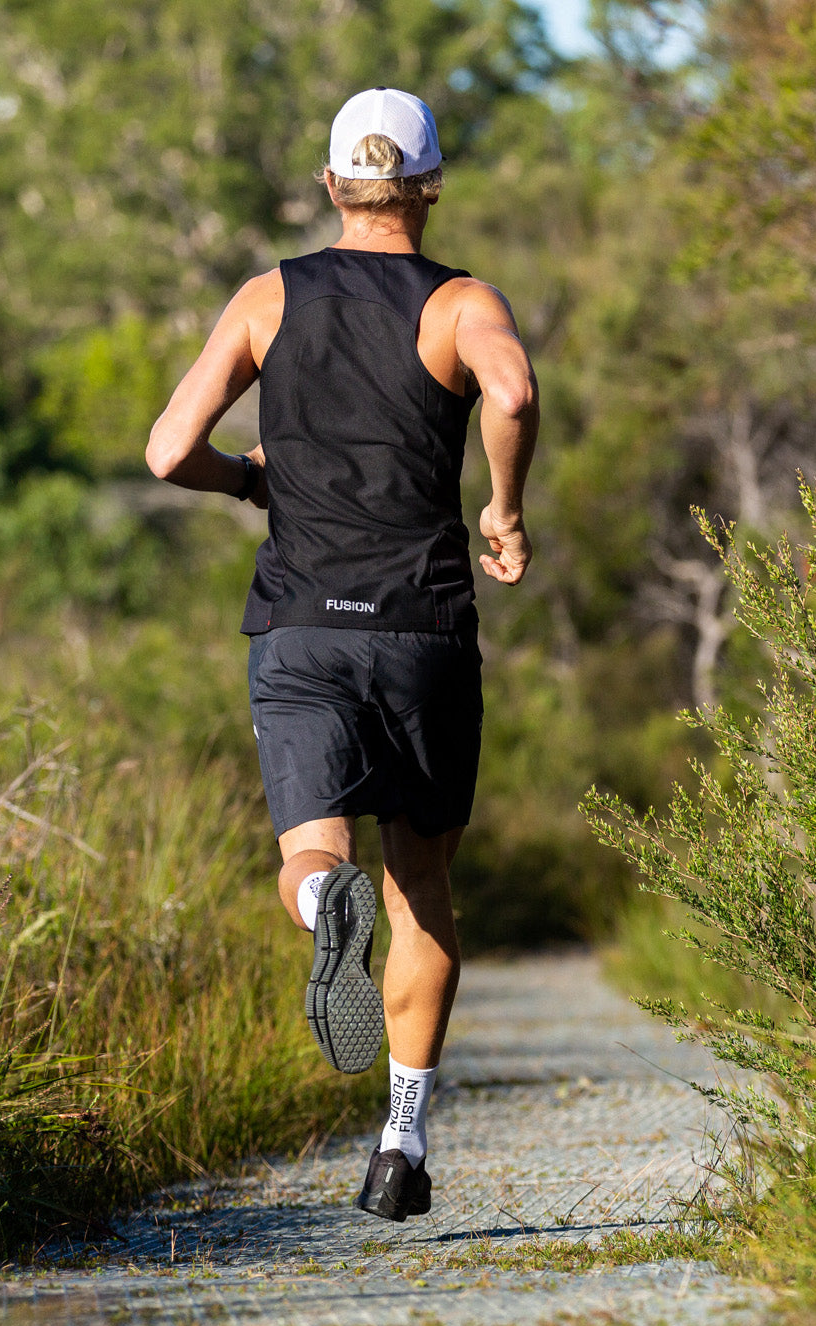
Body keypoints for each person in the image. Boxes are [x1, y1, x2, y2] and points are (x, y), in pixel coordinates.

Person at [146, 86, 538, 1222]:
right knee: (423, 888)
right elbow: (512, 391)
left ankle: (327, 907)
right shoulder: (461, 303)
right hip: (422, 629)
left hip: (301, 629)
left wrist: (246, 481)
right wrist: (504, 508)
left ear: (332, 186)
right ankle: (400, 1145)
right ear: (430, 187)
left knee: (312, 852)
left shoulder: (269, 297)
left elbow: (168, 450)